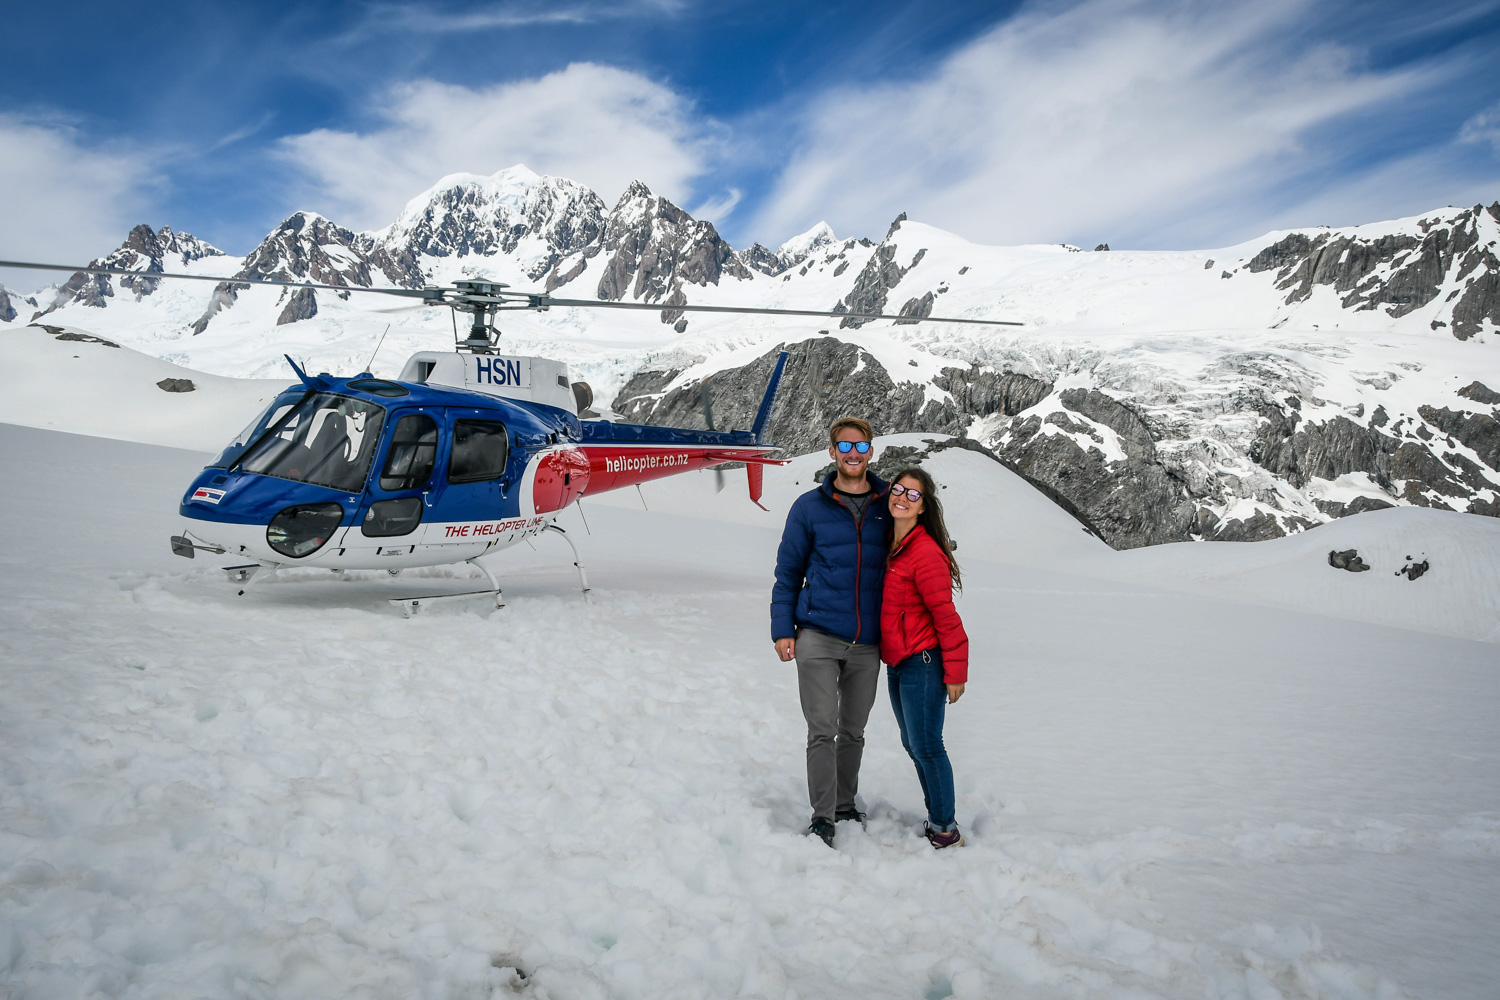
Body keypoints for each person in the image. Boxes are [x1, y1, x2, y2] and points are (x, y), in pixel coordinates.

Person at [771, 417, 891, 847]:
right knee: (822, 728)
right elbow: (788, 573)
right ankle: (823, 816)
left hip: (869, 641)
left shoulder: (888, 504)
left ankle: (845, 803)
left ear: (871, 452)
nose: (853, 454)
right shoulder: (809, 507)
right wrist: (783, 629)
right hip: (817, 635)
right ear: (832, 452)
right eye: (845, 446)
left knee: (854, 729)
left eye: (860, 447)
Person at [880, 466, 969, 849]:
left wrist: (955, 673)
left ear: (922, 507)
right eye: (898, 489)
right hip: (898, 663)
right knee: (913, 743)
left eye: (912, 495)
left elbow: (946, 617)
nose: (902, 497)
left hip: (924, 662)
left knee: (928, 745)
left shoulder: (925, 552)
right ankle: (937, 818)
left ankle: (945, 828)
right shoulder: (892, 545)